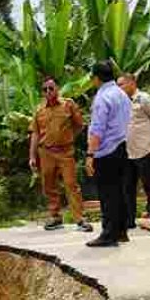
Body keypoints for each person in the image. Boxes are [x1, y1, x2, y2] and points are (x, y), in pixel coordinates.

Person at [29, 77, 93, 232]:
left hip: (65, 152)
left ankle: (80, 219)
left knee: (71, 184)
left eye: (51, 88)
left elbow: (79, 125)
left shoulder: (68, 104)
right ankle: (55, 217)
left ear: (57, 88)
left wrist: (68, 138)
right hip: (46, 152)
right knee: (49, 185)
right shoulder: (39, 110)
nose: (48, 92)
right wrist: (32, 156)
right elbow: (35, 134)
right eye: (45, 89)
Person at [85, 60, 132, 247]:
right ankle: (121, 231)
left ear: (96, 78)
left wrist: (90, 154)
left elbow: (97, 129)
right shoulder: (122, 94)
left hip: (106, 151)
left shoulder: (102, 97)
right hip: (121, 146)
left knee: (107, 193)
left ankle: (109, 234)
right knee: (119, 191)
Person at [117, 73, 150, 226]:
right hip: (128, 150)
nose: (119, 88)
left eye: (122, 84)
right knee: (128, 187)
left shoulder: (144, 98)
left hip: (144, 149)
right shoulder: (120, 102)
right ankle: (129, 220)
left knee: (149, 185)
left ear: (132, 83)